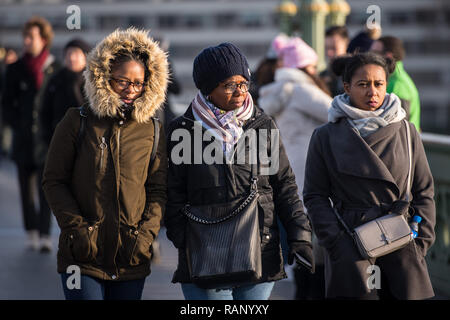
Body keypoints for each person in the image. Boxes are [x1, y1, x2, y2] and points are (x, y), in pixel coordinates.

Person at [164, 42, 313, 300]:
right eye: (230, 85)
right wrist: (184, 238)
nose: (241, 91)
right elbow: (172, 192)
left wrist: (299, 235)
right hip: (204, 255)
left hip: (260, 251)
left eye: (244, 83)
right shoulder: (182, 131)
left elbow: (284, 185)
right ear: (208, 89)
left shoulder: (263, 124)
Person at [42, 28, 168, 300]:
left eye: (138, 83)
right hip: (81, 258)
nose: (131, 90)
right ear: (104, 78)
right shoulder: (77, 121)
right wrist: (77, 230)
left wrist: (144, 237)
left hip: (130, 260)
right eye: (123, 81)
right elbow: (54, 181)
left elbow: (158, 190)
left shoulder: (154, 130)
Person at [303, 52, 436, 300]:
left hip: (402, 239)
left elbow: (424, 190)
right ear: (347, 87)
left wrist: (421, 242)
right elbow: (314, 195)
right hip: (352, 243)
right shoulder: (325, 136)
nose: (372, 92)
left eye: (379, 84)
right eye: (363, 84)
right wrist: (337, 244)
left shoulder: (406, 131)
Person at [258, 36, 331, 300]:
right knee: (318, 248)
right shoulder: (301, 89)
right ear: (303, 67)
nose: (317, 71)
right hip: (313, 179)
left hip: (291, 180)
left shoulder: (277, 89)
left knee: (303, 244)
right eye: (312, 66)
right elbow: (337, 111)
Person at [1, 16, 60, 252]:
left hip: (47, 139)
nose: (26, 41)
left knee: (47, 188)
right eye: (25, 37)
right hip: (23, 137)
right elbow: (7, 103)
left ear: (43, 39)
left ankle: (45, 234)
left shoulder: (55, 69)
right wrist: (16, 124)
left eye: (31, 37)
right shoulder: (15, 69)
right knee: (25, 190)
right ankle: (31, 231)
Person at [38, 38, 91, 151]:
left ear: (86, 56)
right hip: (59, 140)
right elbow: (45, 111)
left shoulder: (93, 80)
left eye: (76, 53)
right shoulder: (56, 80)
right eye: (68, 53)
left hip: (87, 142)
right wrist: (48, 138)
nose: (71, 58)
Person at [370, 36, 421, 131]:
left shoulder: (398, 85)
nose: (370, 57)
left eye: (374, 53)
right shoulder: (394, 80)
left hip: (400, 144)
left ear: (388, 56)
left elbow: (398, 127)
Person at [320, 26, 349, 97]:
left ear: (346, 44)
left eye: (334, 48)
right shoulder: (323, 75)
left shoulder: (356, 73)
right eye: (326, 48)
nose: (329, 53)